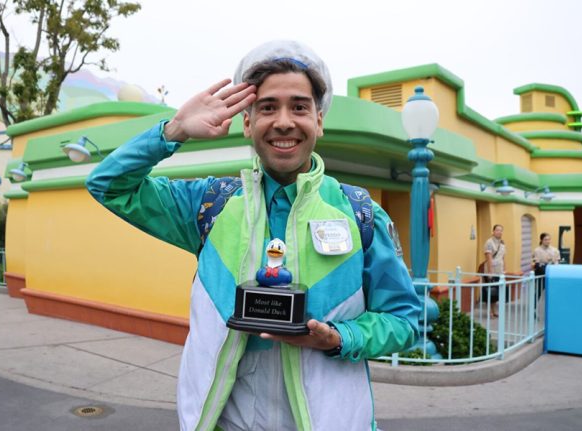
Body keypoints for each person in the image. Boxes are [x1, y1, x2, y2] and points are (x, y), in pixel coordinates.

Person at [86, 40, 420, 431]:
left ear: (319, 120)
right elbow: (108, 185)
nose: (283, 121)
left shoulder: (360, 213)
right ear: (247, 123)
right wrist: (173, 130)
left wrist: (339, 338)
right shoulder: (209, 204)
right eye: (266, 108)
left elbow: (405, 322)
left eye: (299, 107)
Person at [483, 224, 506, 317]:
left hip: (499, 270)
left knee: (496, 292)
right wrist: (490, 272)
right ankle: (489, 311)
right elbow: (489, 258)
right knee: (489, 292)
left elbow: (504, 257)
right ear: (493, 231)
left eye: (501, 230)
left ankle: (494, 310)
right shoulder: (489, 242)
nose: (499, 232)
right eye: (497, 230)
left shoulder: (502, 243)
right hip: (491, 270)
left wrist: (505, 269)